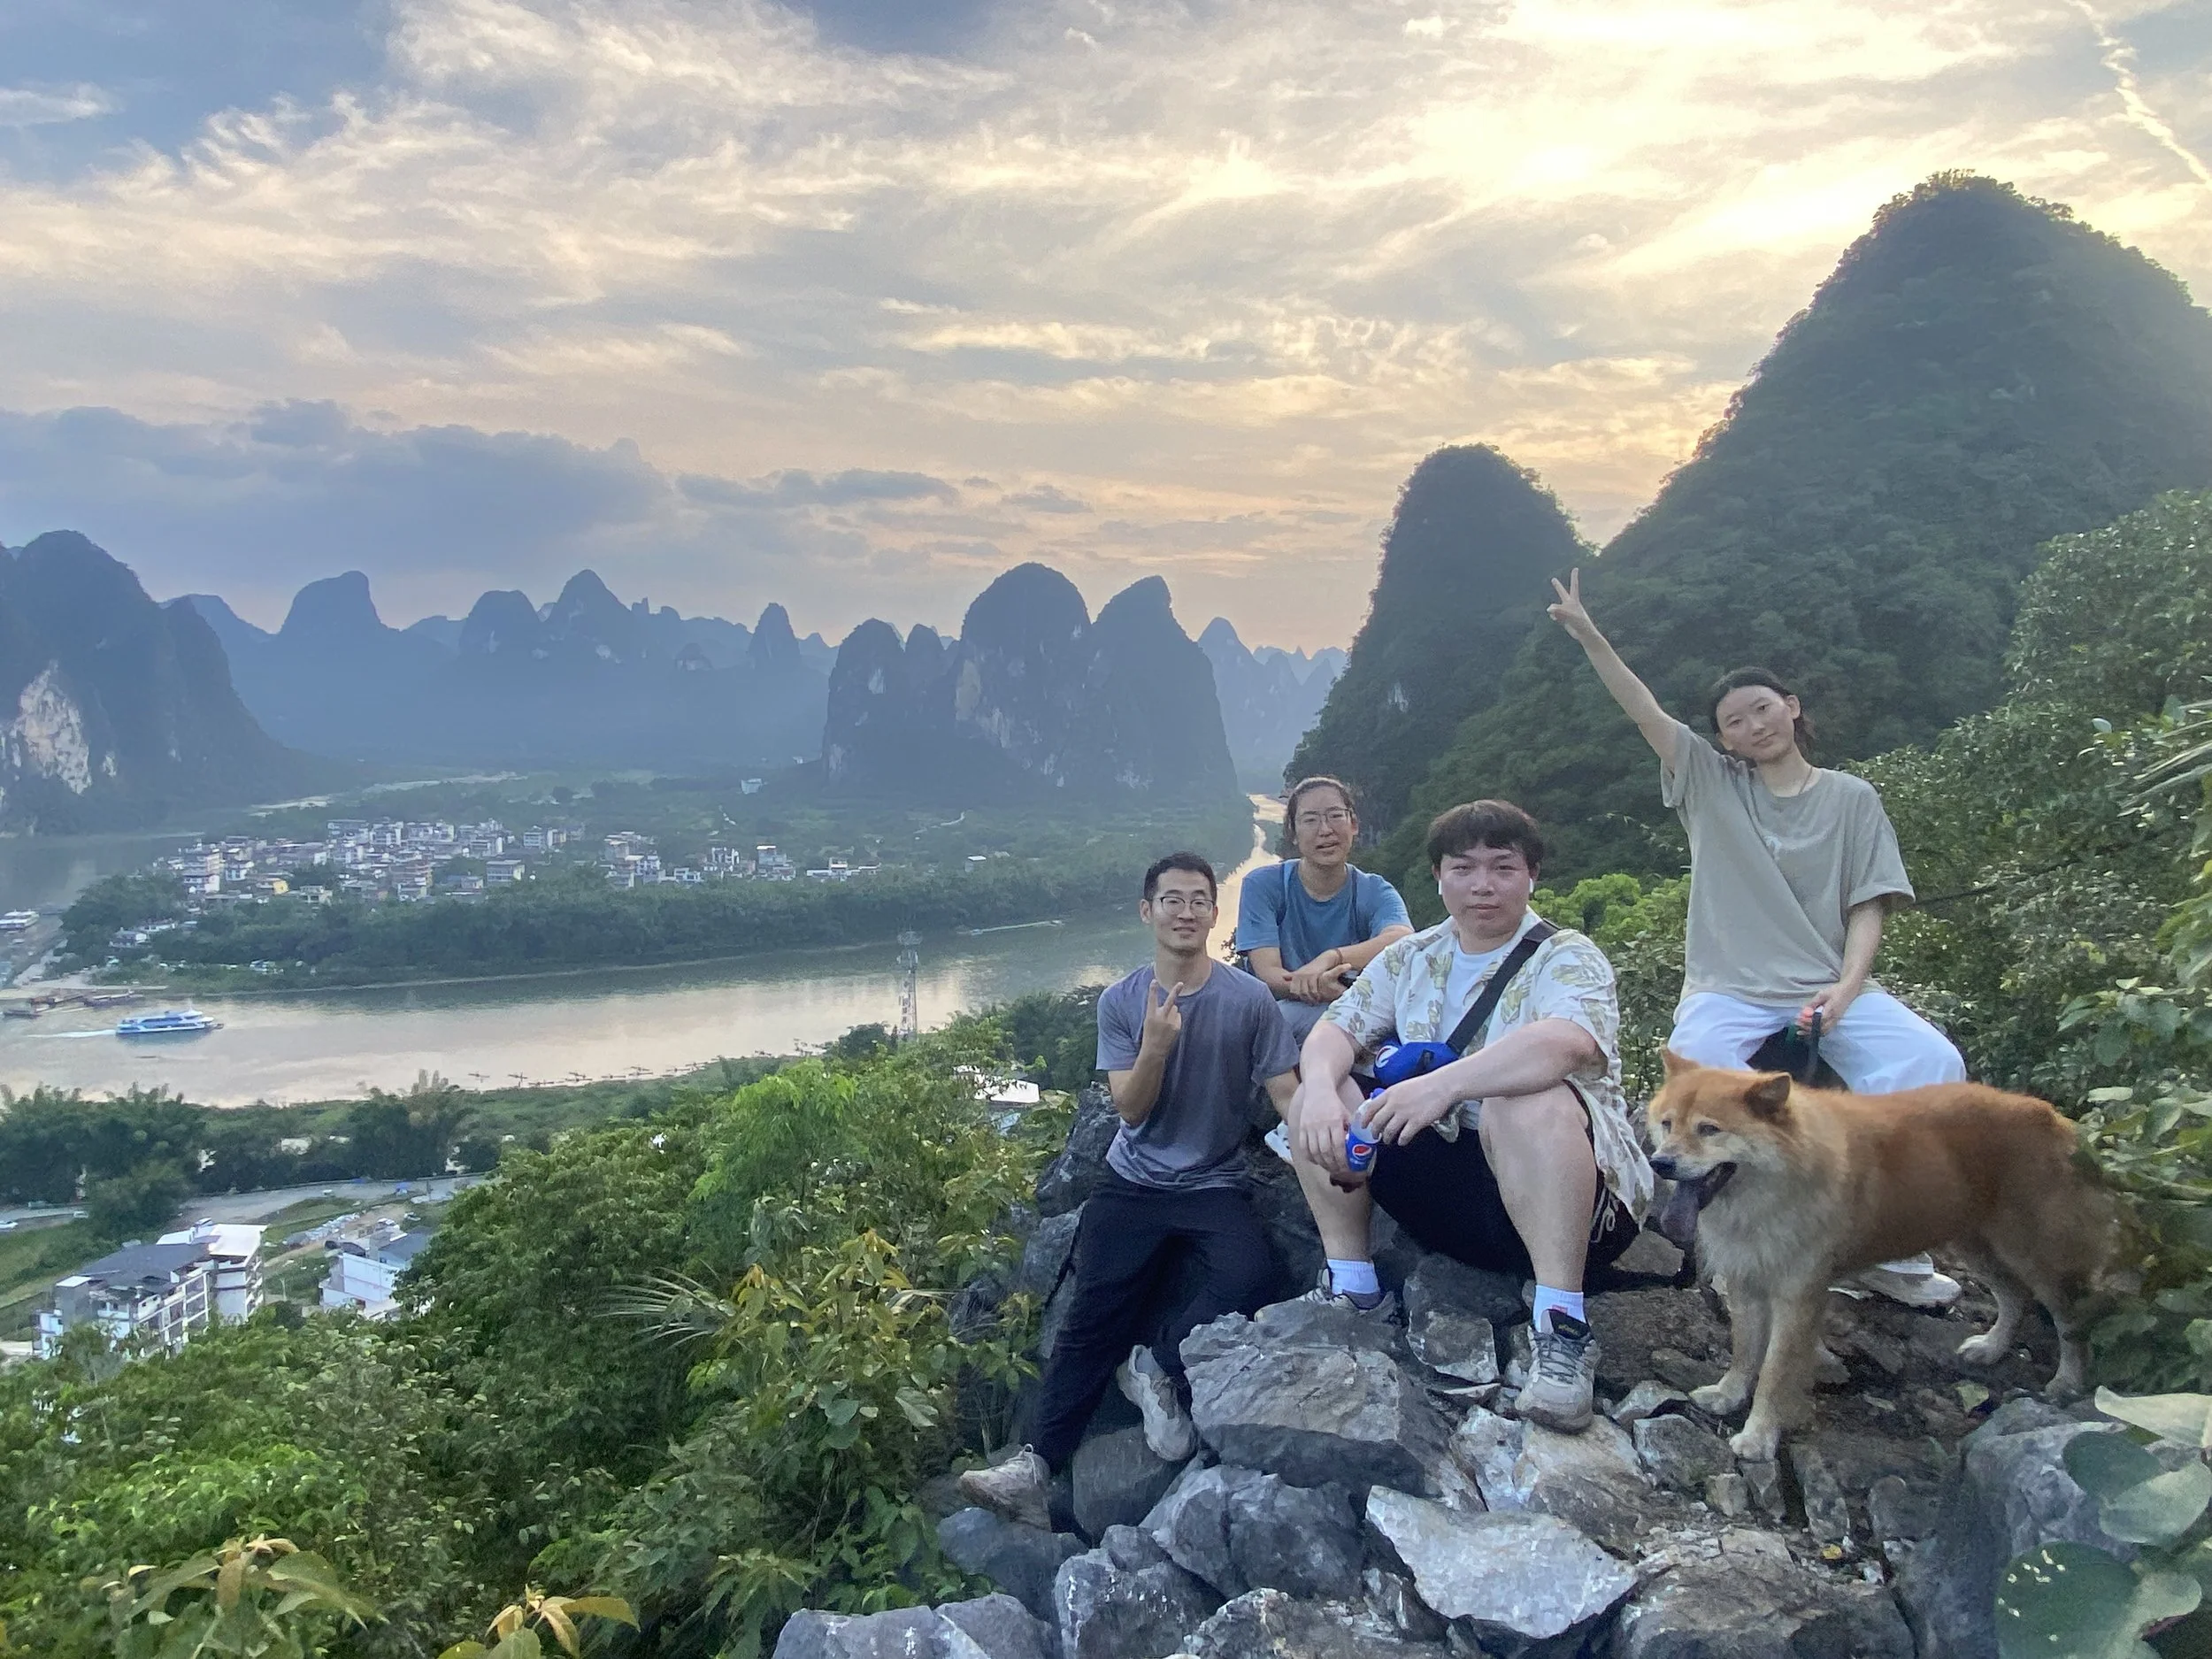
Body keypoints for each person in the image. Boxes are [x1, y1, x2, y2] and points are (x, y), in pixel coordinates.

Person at [1546, 567, 1967, 1308]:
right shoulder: (1712, 785)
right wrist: (1590, 635)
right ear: (1723, 740)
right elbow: (1644, 712)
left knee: (1932, 1063)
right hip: (1728, 987)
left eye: (1763, 708)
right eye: (1734, 721)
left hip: (1826, 984)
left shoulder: (1852, 798)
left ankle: (1889, 1254)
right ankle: (1737, 1244)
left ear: (1792, 707)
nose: (1753, 726)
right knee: (1697, 1081)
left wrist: (1846, 989)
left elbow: (1869, 904)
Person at [1287, 800, 1652, 1434]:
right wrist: (1318, 1087)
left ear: (1531, 875)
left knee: (1527, 1097)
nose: (1483, 885)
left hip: (1570, 1207)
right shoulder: (1412, 956)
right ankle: (1353, 1284)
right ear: (1438, 877)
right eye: (1463, 868)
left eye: (1503, 867)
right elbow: (1336, 1029)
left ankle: (1562, 1329)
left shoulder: (1566, 956)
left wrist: (1442, 1086)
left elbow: (1567, 1042)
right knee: (1321, 1089)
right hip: (1450, 1196)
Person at [960, 851, 1302, 1527]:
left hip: (1214, 1178)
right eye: (1172, 899)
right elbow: (1132, 1109)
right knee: (1093, 1313)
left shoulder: (1249, 1000)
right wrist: (1156, 1045)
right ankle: (1036, 1466)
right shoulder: (1120, 1001)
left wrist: (1326, 1133)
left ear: (1215, 912)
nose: (1186, 911)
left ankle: (1156, 1365)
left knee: (1253, 1273)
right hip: (1135, 1178)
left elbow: (1286, 1090)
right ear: (1148, 911)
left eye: (1199, 900)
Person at [1236, 775, 1415, 1043]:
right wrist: (1317, 987)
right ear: (1293, 834)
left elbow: (1402, 938)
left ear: (1353, 824)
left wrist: (1331, 958)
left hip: (1355, 1009)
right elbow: (1269, 973)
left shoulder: (1373, 890)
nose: (1325, 830)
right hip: (1281, 1016)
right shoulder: (1264, 885)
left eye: (1335, 816)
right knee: (1284, 1019)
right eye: (1310, 820)